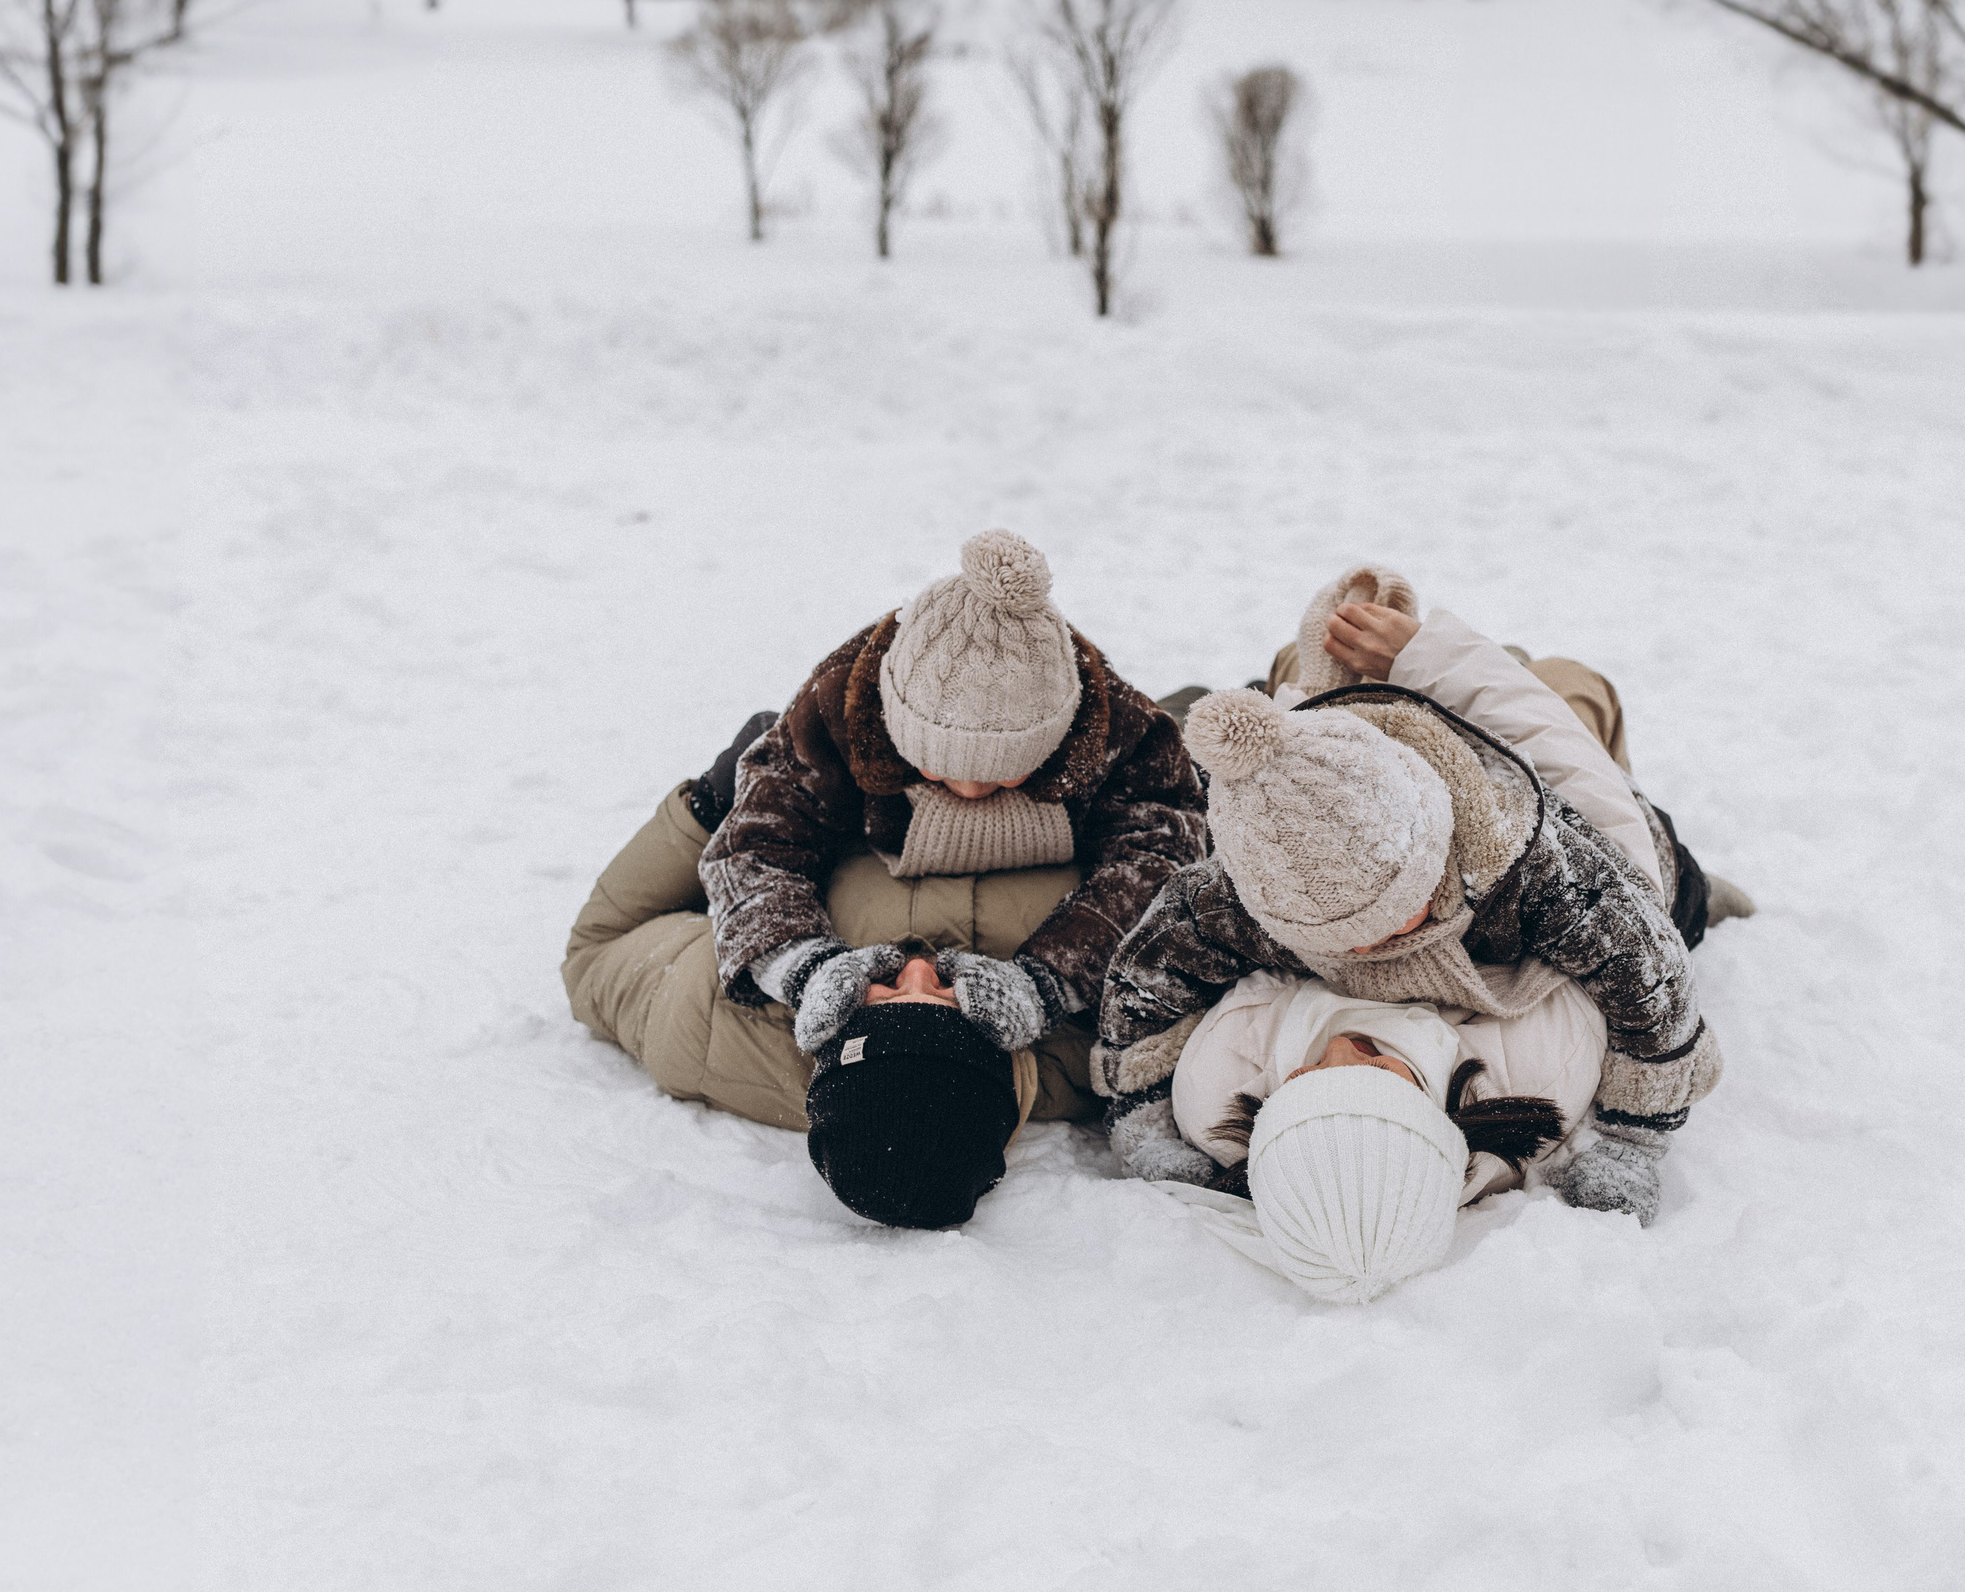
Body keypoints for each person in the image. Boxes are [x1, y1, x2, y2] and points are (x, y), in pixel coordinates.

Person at [1097, 564, 1748, 1299]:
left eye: (1312, 1075)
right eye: (1341, 936)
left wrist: (1139, 1122)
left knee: (1337, 653)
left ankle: (1316, 678)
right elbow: (1653, 989)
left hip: (1543, 818)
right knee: (1577, 692)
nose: (1346, 1046)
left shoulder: (1521, 861)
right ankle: (1701, 893)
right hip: (1625, 847)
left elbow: (1142, 989)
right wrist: (1629, 1141)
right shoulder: (1536, 1065)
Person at [560, 529, 1206, 1227]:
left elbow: (602, 949)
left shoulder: (723, 1043)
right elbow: (1162, 860)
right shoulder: (1107, 1049)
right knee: (1196, 747)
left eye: (886, 993)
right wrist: (1047, 982)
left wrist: (785, 941)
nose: (919, 967)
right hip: (1097, 795)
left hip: (850, 808)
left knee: (771, 784)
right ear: (1000, 1055)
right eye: (951, 1000)